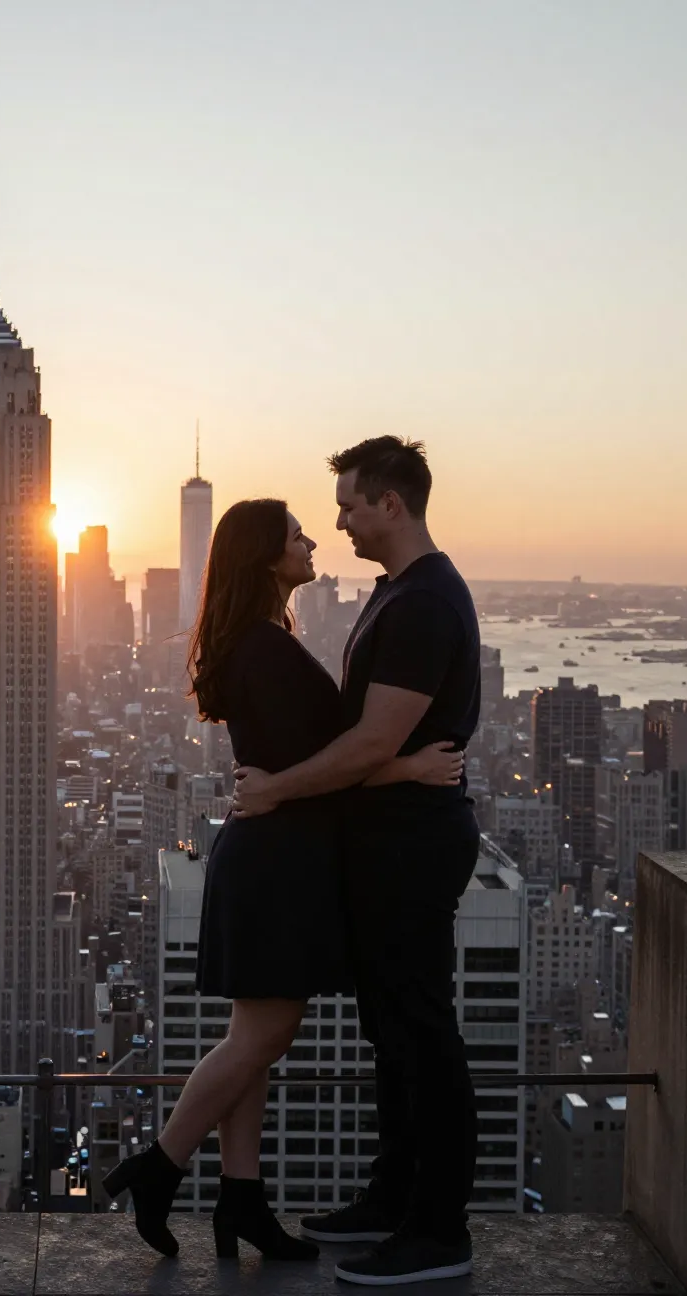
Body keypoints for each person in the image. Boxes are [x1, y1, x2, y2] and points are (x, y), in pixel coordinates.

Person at [102, 497, 461, 1262]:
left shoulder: (260, 639)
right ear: (267, 555)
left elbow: (302, 761)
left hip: (273, 853)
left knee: (253, 1042)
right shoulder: (265, 648)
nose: (311, 542)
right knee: (265, 1036)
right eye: (296, 534)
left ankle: (243, 1203)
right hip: (275, 861)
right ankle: (158, 1167)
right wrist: (411, 766)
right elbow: (329, 763)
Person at [230, 437, 482, 1287]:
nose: (337, 521)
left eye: (348, 505)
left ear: (393, 505)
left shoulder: (422, 606)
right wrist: (391, 766)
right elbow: (372, 741)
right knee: (392, 1035)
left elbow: (368, 740)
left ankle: (438, 1230)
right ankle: (391, 1198)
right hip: (386, 837)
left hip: (412, 843)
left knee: (421, 1033)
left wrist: (276, 792)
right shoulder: (396, 596)